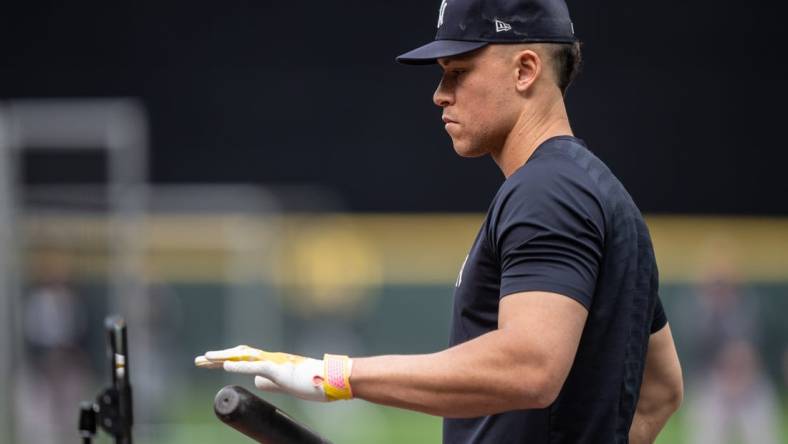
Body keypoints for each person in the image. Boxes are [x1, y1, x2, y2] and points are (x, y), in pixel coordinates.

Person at [196, 0, 684, 442]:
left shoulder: (546, 191)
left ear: (525, 70)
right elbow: (661, 390)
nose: (439, 94)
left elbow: (531, 366)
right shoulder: (604, 194)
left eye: (458, 71)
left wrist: (337, 375)